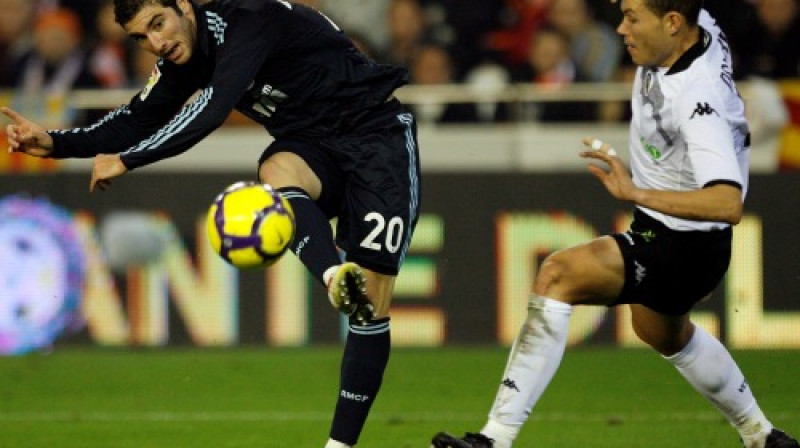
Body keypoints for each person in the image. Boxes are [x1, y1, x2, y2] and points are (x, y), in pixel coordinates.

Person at [2, 1, 421, 447]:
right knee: (277, 171)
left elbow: (212, 109)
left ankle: (340, 444)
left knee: (371, 309)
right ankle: (334, 275)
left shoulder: (249, 18)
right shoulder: (182, 54)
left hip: (375, 138)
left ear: (183, 5)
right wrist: (55, 142)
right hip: (310, 146)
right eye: (142, 38)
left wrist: (128, 160)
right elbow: (138, 117)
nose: (156, 43)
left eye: (158, 24)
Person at [430, 1, 799, 447]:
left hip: (680, 241)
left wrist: (634, 192)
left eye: (632, 17)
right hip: (677, 233)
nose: (622, 28)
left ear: (672, 23)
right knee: (664, 333)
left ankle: (495, 438)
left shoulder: (697, 101)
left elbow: (726, 202)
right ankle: (762, 435)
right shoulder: (696, 25)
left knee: (557, 275)